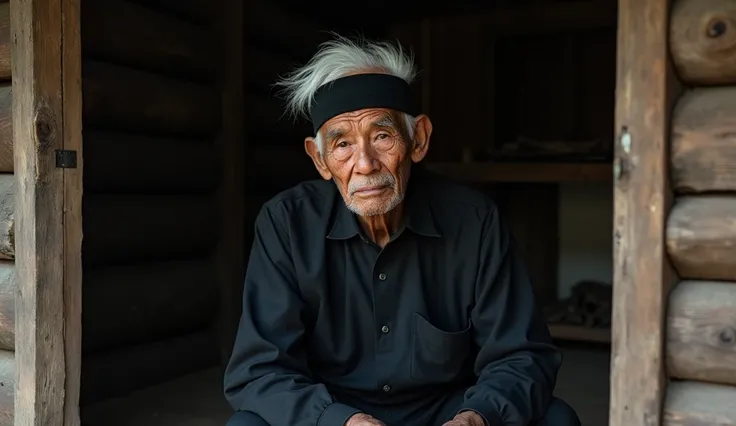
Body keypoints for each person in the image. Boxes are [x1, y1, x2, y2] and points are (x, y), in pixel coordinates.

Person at [223, 35, 581, 426]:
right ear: (320, 159)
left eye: (381, 136)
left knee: (556, 419)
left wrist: (476, 417)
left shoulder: (474, 221)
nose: (365, 164)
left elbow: (522, 354)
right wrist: (338, 420)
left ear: (418, 139)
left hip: (445, 414)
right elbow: (259, 369)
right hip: (334, 414)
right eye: (342, 144)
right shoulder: (286, 224)